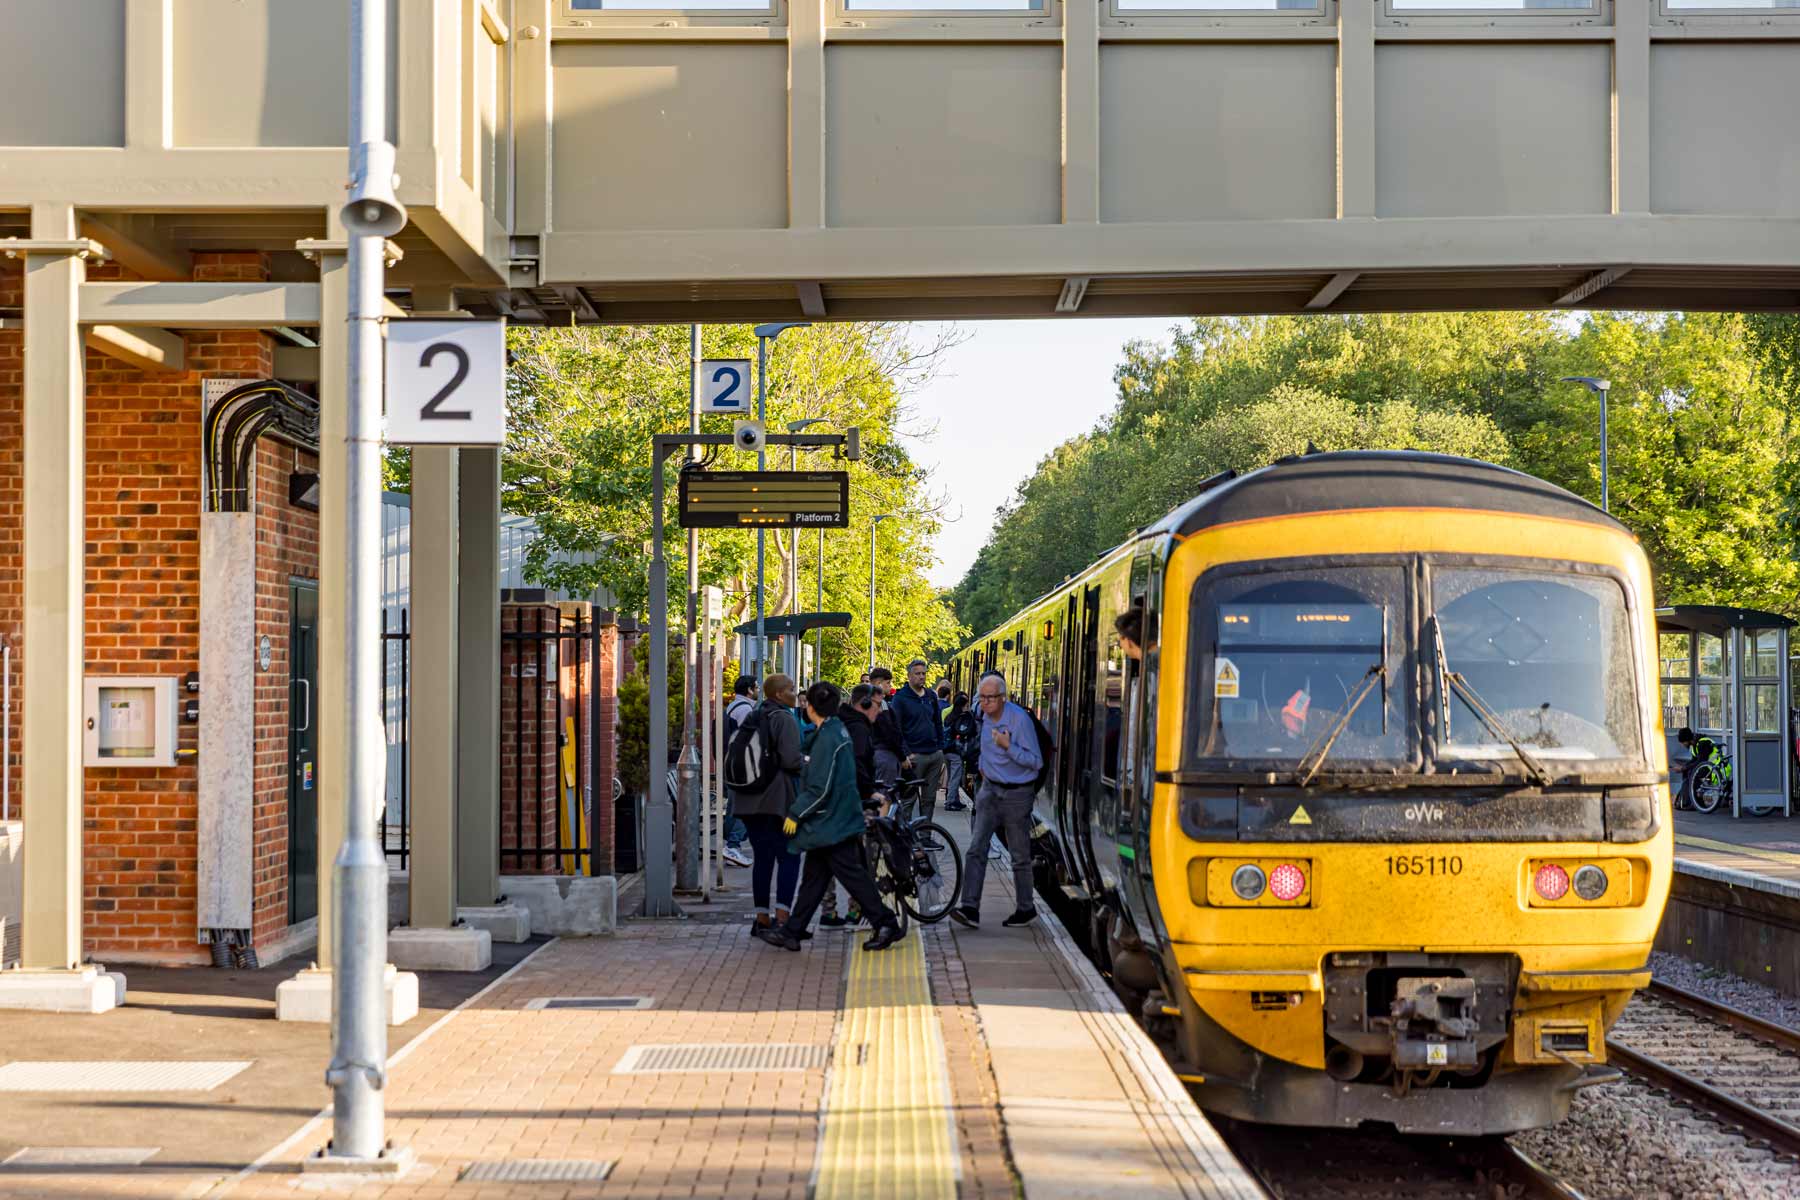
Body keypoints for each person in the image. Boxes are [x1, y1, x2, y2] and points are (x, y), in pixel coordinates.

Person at [755, 681, 903, 953]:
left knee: (852, 877)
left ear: (810, 707)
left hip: (831, 820)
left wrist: (796, 813)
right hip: (836, 817)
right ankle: (793, 930)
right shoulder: (836, 731)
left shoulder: (827, 739)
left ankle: (886, 922)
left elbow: (819, 787)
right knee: (815, 878)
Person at [950, 672, 1043, 930]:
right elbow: (983, 747)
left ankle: (1026, 908)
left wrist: (1007, 746)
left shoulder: (1019, 721)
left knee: (1019, 854)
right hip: (990, 790)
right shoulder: (983, 716)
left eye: (991, 698)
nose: (986, 703)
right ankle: (970, 908)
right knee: (976, 848)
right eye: (982, 697)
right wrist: (982, 766)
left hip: (1016, 793)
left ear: (1003, 697)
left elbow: (1035, 762)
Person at [738, 675, 805, 935]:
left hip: (747, 800)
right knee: (789, 856)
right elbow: (790, 760)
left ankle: (762, 918)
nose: (794, 692)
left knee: (763, 859)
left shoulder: (754, 716)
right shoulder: (784, 717)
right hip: (776, 801)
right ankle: (782, 917)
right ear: (778, 694)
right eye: (790, 689)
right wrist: (807, 762)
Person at [891, 658, 947, 819]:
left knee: (929, 799)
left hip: (934, 754)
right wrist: (906, 753)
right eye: (917, 674)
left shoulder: (930, 696)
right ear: (909, 676)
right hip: (915, 756)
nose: (921, 677)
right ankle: (906, 837)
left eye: (923, 673)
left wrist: (940, 747)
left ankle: (925, 834)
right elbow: (897, 729)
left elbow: (937, 722)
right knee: (909, 798)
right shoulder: (901, 698)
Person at [720, 675, 757, 867]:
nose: (758, 690)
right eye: (756, 687)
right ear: (749, 690)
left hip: (732, 764)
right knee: (746, 806)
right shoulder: (745, 710)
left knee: (735, 806)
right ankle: (732, 845)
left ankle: (730, 845)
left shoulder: (733, 706)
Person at [868, 666, 904, 794]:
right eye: (888, 683)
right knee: (886, 797)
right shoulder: (879, 704)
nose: (890, 686)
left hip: (877, 753)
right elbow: (889, 732)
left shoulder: (866, 701)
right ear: (878, 684)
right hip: (884, 754)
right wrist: (903, 756)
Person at [942, 691, 977, 812]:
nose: (968, 708)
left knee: (952, 775)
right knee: (955, 777)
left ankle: (955, 799)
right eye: (966, 705)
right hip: (955, 751)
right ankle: (950, 801)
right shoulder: (962, 718)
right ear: (962, 706)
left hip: (945, 750)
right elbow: (966, 732)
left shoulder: (949, 716)